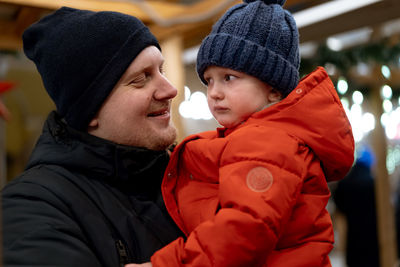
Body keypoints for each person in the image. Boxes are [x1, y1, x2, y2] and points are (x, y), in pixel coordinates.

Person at [129, 0, 355, 266]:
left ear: (273, 89)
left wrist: (168, 263)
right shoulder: (262, 136)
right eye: (209, 80)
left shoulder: (266, 141)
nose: (214, 92)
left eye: (229, 78)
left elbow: (245, 228)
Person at [1, 7, 183, 266]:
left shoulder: (187, 173)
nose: (171, 89)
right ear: (90, 110)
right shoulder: (32, 207)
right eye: (141, 79)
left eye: (161, 70)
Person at [333, 145, 380, 267]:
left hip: (353, 236)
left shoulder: (345, 183)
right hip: (372, 236)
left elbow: (338, 203)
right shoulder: (374, 184)